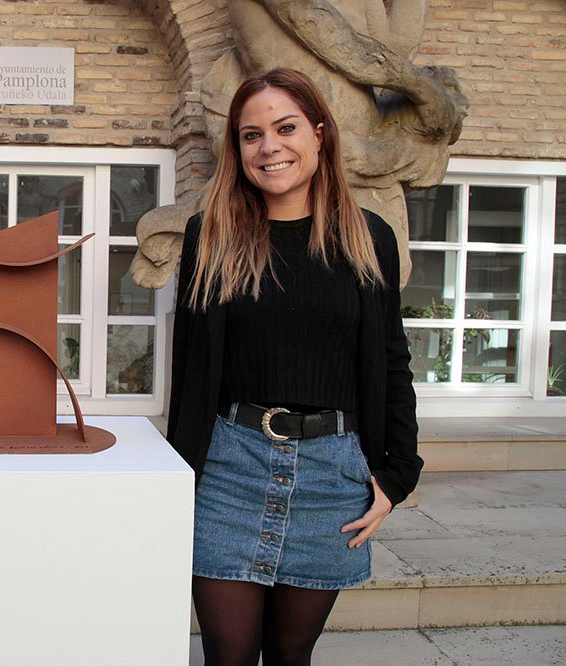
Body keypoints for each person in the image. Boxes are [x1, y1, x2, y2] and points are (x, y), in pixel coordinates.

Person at [166, 68, 422, 666]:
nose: (268, 147)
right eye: (250, 135)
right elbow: (192, 369)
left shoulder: (369, 237)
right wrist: (180, 477)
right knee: (228, 656)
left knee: (290, 654)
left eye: (285, 128)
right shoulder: (213, 235)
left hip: (332, 478)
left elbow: (391, 359)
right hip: (230, 470)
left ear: (320, 133)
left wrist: (396, 475)